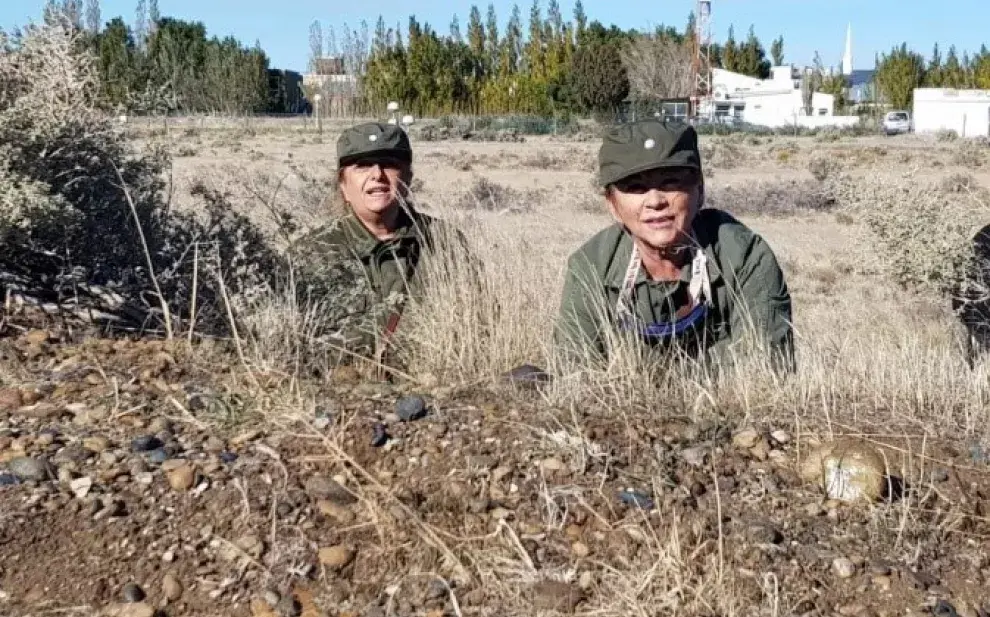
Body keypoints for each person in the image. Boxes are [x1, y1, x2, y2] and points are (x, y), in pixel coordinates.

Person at [553, 119, 795, 373]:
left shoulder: (745, 257)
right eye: (636, 188)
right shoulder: (592, 265)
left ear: (699, 190)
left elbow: (766, 366)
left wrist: (640, 374)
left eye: (670, 182)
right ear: (612, 205)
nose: (655, 201)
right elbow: (575, 368)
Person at [290, 121, 464, 370]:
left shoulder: (446, 242)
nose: (377, 175)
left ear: (408, 178)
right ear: (343, 185)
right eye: (362, 166)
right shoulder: (310, 254)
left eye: (390, 164)